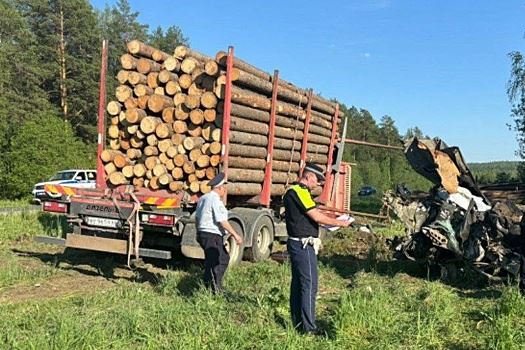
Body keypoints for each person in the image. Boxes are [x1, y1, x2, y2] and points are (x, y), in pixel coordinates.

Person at [283, 163, 351, 335]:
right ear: (309, 176)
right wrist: (340, 223)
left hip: (297, 243)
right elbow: (315, 215)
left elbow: (312, 213)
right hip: (303, 245)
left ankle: (298, 323)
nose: (318, 184)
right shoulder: (299, 191)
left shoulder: (296, 192)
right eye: (317, 180)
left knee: (298, 284)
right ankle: (309, 328)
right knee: (309, 284)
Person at [195, 172, 243, 293]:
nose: (225, 191)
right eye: (224, 188)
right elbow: (222, 220)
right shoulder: (215, 200)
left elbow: (197, 218)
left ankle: (207, 286)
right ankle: (216, 288)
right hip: (212, 234)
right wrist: (235, 235)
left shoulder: (203, 198)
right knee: (221, 259)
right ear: (220, 188)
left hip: (203, 233)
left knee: (211, 261)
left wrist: (197, 232)